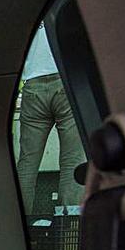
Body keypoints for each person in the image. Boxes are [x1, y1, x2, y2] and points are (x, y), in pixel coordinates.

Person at [16, 23, 85, 213]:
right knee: (72, 162)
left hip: (32, 87)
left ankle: (21, 226)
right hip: (65, 82)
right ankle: (67, 232)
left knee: (27, 165)